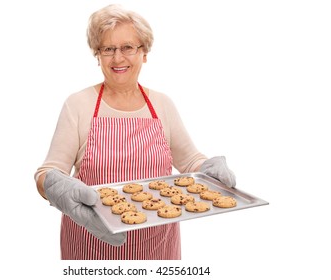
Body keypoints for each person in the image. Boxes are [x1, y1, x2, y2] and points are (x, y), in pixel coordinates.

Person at [34, 4, 236, 260]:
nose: (118, 58)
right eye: (108, 49)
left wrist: (209, 168)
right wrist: (53, 186)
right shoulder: (78, 104)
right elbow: (47, 173)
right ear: (98, 55)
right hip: (90, 247)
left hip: (157, 249)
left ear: (144, 52)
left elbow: (190, 161)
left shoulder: (162, 104)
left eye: (128, 47)